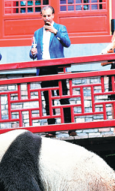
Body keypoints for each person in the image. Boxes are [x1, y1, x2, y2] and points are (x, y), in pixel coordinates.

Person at [30, 5, 76, 138]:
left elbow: (67, 43)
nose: (46, 18)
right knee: (48, 99)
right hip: (44, 67)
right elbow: (32, 52)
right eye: (44, 16)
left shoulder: (61, 28)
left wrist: (55, 31)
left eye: (49, 15)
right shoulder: (37, 33)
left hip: (58, 67)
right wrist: (33, 53)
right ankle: (52, 128)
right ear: (41, 16)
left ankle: (70, 127)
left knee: (63, 97)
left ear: (53, 16)